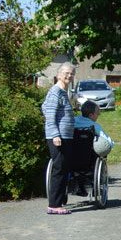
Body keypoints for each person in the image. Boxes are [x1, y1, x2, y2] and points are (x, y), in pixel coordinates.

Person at [41, 62, 76, 215]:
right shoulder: (55, 91)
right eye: (66, 73)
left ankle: (59, 201)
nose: (69, 76)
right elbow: (49, 114)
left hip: (66, 136)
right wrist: (55, 134)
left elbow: (44, 106)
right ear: (59, 74)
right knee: (59, 170)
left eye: (72, 73)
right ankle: (54, 205)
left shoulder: (63, 92)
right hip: (58, 137)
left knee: (64, 169)